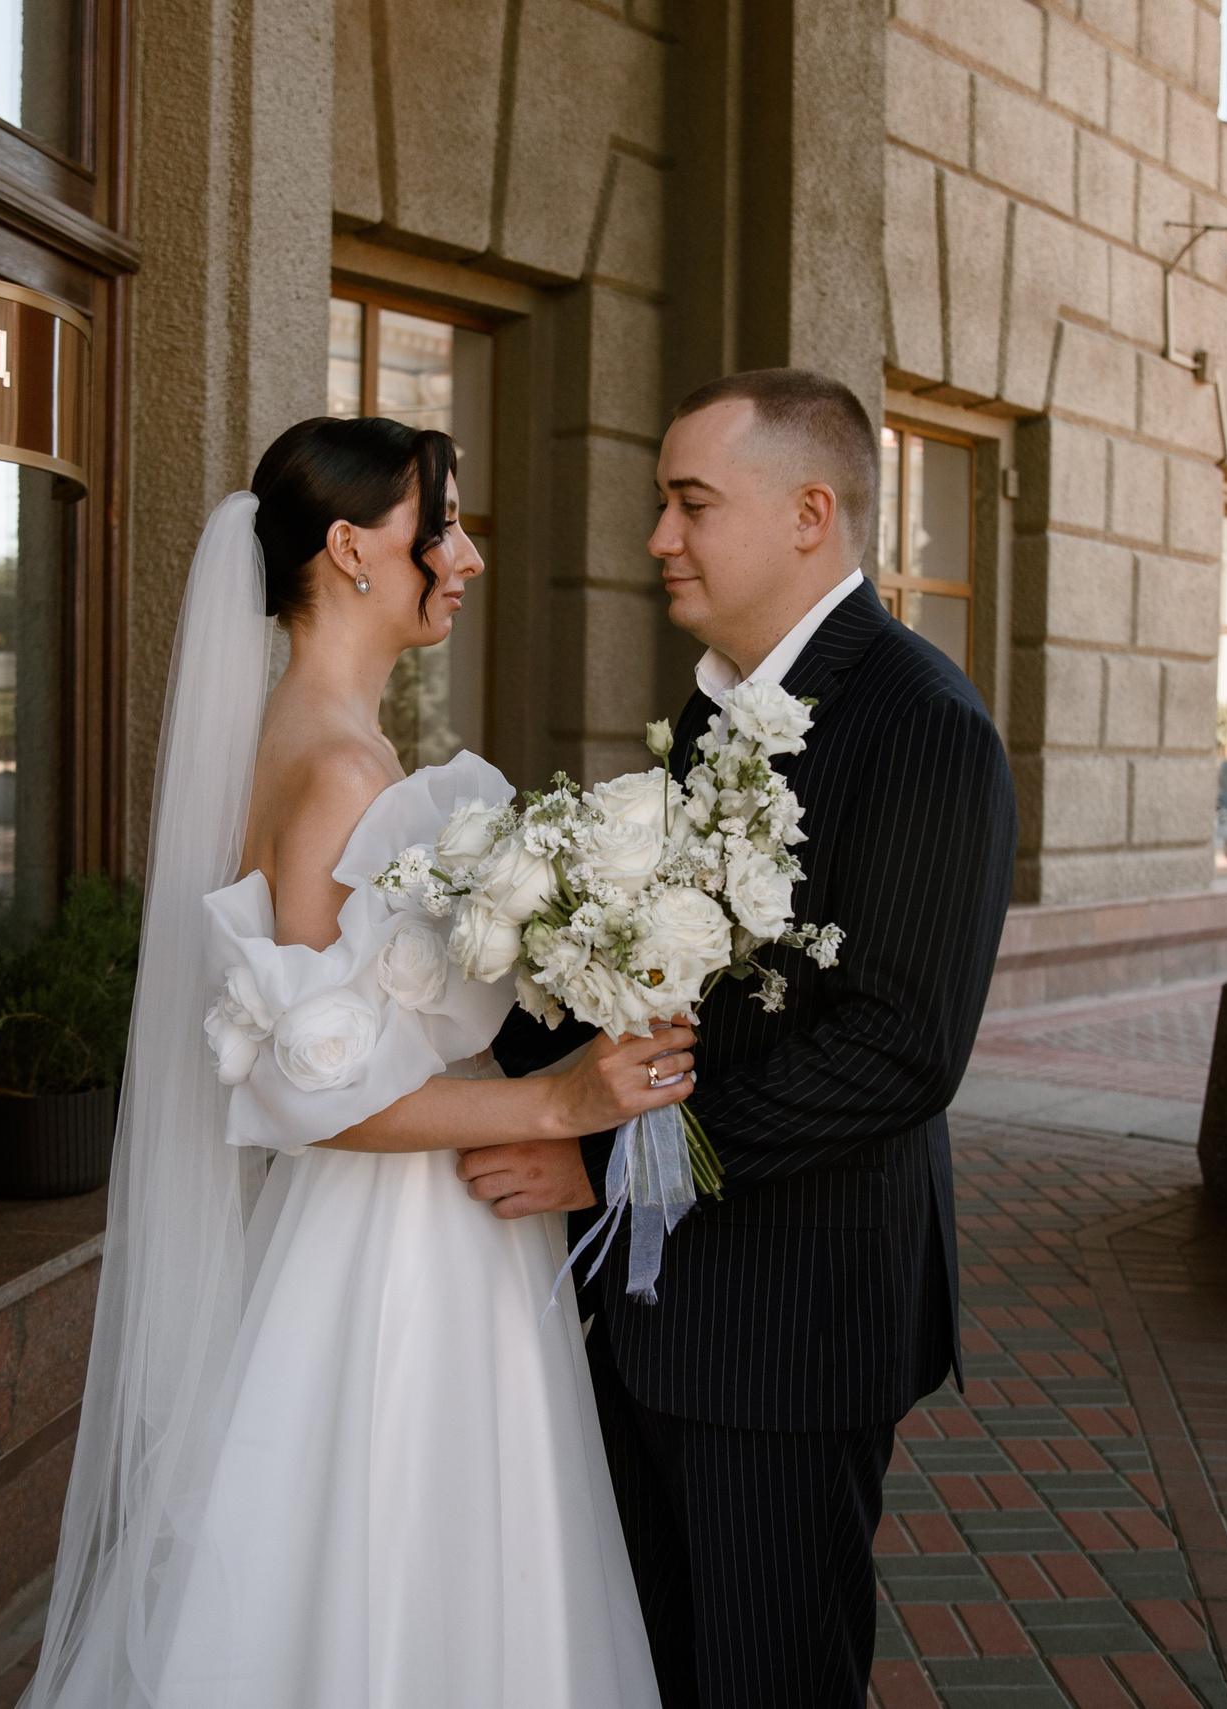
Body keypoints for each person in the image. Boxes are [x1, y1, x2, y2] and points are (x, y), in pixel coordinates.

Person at [25, 416, 681, 1709]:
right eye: (440, 525)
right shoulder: (328, 766)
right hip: (393, 1255)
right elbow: (315, 1092)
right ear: (349, 547)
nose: (466, 558)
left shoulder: (344, 740)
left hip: (450, 1226)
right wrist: (558, 1099)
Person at [463, 369, 1019, 1709]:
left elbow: (899, 1050)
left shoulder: (925, 728)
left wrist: (607, 1166)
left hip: (790, 1320)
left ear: (811, 513)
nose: (660, 536)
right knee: (653, 1660)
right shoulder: (719, 708)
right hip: (650, 1308)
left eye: (690, 502)